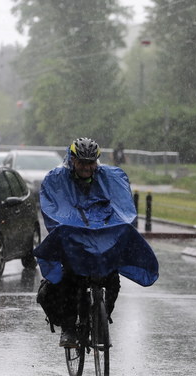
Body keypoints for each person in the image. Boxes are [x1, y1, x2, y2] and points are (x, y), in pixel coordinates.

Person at [34, 137, 159, 347]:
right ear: (72, 160)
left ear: (97, 162)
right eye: (82, 162)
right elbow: (55, 210)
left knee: (112, 280)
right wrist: (66, 230)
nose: (86, 167)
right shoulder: (58, 180)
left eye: (91, 162)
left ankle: (101, 319)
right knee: (69, 280)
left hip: (103, 239)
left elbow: (122, 207)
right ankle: (69, 329)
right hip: (75, 242)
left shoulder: (110, 178)